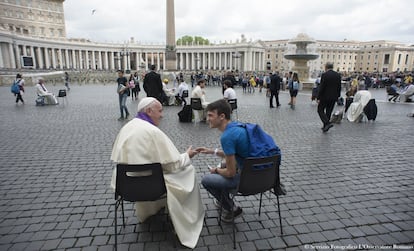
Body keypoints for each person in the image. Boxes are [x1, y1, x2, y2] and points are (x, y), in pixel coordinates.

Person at [110, 97, 204, 249]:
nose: (162, 115)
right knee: (188, 171)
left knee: (152, 174)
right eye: (159, 111)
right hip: (154, 187)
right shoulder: (152, 131)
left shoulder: (127, 127)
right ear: (148, 111)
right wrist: (187, 155)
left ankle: (151, 209)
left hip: (126, 187)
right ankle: (190, 217)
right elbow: (173, 165)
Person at [196, 99, 249, 222]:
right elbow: (234, 155)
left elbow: (230, 173)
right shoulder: (239, 127)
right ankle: (223, 200)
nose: (207, 118)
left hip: (247, 181)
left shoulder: (227, 136)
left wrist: (217, 170)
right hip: (265, 176)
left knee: (207, 180)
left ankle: (231, 208)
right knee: (224, 165)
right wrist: (212, 151)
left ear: (222, 116)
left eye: (210, 115)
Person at [317, 62, 341, 132]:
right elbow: (339, 87)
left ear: (326, 67)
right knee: (329, 111)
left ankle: (327, 123)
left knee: (320, 110)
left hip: (324, 96)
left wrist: (318, 97)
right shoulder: (337, 75)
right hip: (334, 97)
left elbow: (322, 87)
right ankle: (325, 126)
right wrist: (338, 96)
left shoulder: (324, 75)